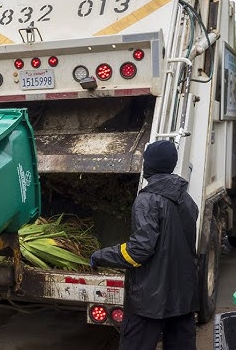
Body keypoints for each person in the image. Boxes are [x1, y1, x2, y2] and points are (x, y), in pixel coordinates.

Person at [89, 140, 199, 350]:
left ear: (150, 165)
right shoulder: (186, 199)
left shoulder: (147, 200)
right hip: (183, 296)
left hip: (149, 300)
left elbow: (139, 251)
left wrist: (101, 256)